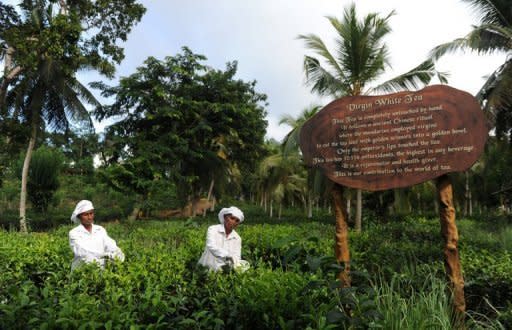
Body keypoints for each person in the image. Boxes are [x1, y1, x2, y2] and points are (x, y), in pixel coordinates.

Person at [69, 200, 125, 270]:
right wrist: (105, 255)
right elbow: (82, 252)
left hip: (99, 272)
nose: (89, 217)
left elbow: (110, 244)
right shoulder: (74, 233)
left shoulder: (100, 230)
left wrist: (117, 253)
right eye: (86, 215)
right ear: (79, 216)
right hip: (81, 272)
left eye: (91, 213)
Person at [198, 206, 250, 272]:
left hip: (222, 272)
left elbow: (237, 256)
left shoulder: (237, 238)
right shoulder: (213, 229)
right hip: (205, 268)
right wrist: (228, 255)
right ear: (225, 218)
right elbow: (211, 246)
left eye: (237, 221)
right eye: (232, 218)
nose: (234, 222)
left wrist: (237, 265)